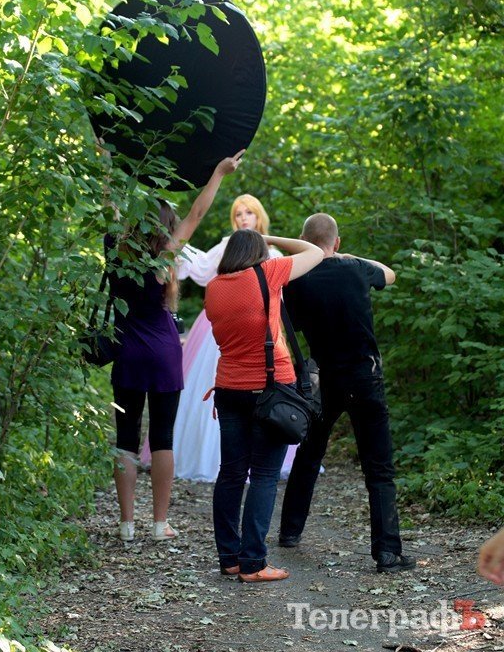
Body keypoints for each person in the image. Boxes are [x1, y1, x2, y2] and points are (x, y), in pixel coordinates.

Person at [106, 152, 243, 542]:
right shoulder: (167, 255)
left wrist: (107, 158)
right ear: (167, 227)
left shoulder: (115, 246)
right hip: (165, 352)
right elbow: (197, 213)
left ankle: (127, 524)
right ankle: (159, 524)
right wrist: (217, 172)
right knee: (162, 435)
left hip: (127, 350)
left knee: (126, 436)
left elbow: (111, 205)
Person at [278, 213, 416, 574]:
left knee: (309, 454)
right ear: (337, 243)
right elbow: (389, 273)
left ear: (303, 240)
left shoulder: (295, 281)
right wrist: (344, 257)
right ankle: (387, 553)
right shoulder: (357, 269)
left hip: (323, 380)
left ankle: (289, 533)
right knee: (379, 467)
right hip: (364, 377)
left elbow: (286, 324)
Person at [138, 194, 295, 481]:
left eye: (249, 213)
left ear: (260, 216)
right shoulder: (226, 247)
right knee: (215, 391)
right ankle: (211, 459)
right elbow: (198, 266)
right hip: (219, 331)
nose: (244, 218)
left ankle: (263, 455)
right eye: (238, 214)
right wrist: (172, 242)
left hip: (263, 334)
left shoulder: (275, 255)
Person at [204, 229, 323, 582]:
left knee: (231, 474)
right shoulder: (267, 272)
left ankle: (230, 558)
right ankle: (254, 563)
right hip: (271, 390)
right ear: (259, 252)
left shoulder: (214, 287)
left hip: (228, 388)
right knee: (265, 475)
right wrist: (271, 236)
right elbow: (315, 251)